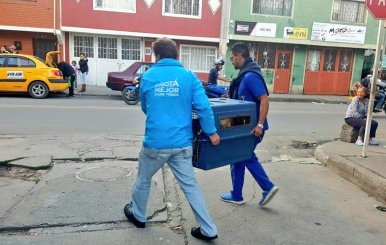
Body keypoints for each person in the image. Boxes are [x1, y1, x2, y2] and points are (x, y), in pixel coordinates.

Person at [124, 38, 220, 241]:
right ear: (176, 55)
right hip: (181, 144)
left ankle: (139, 216)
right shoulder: (188, 76)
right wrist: (211, 132)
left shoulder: (148, 77)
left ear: (157, 55)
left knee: (143, 180)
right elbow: (203, 107)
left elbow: (145, 107)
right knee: (190, 186)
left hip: (155, 144)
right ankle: (208, 229)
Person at [220, 42, 279, 207]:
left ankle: (267, 187)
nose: (231, 61)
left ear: (240, 55)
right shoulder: (244, 76)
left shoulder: (250, 76)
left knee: (244, 156)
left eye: (232, 57)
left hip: (252, 128)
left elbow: (264, 99)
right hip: (244, 127)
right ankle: (236, 194)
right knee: (238, 158)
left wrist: (260, 125)